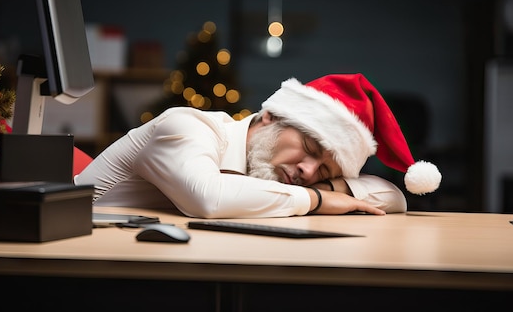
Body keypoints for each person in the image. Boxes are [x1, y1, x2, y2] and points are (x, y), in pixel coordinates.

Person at [74, 73, 441, 218]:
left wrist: (336, 187)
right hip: (68, 263)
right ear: (269, 117)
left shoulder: (270, 170)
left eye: (325, 170)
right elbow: (209, 199)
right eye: (310, 149)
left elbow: (391, 196)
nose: (308, 171)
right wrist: (318, 199)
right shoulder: (185, 126)